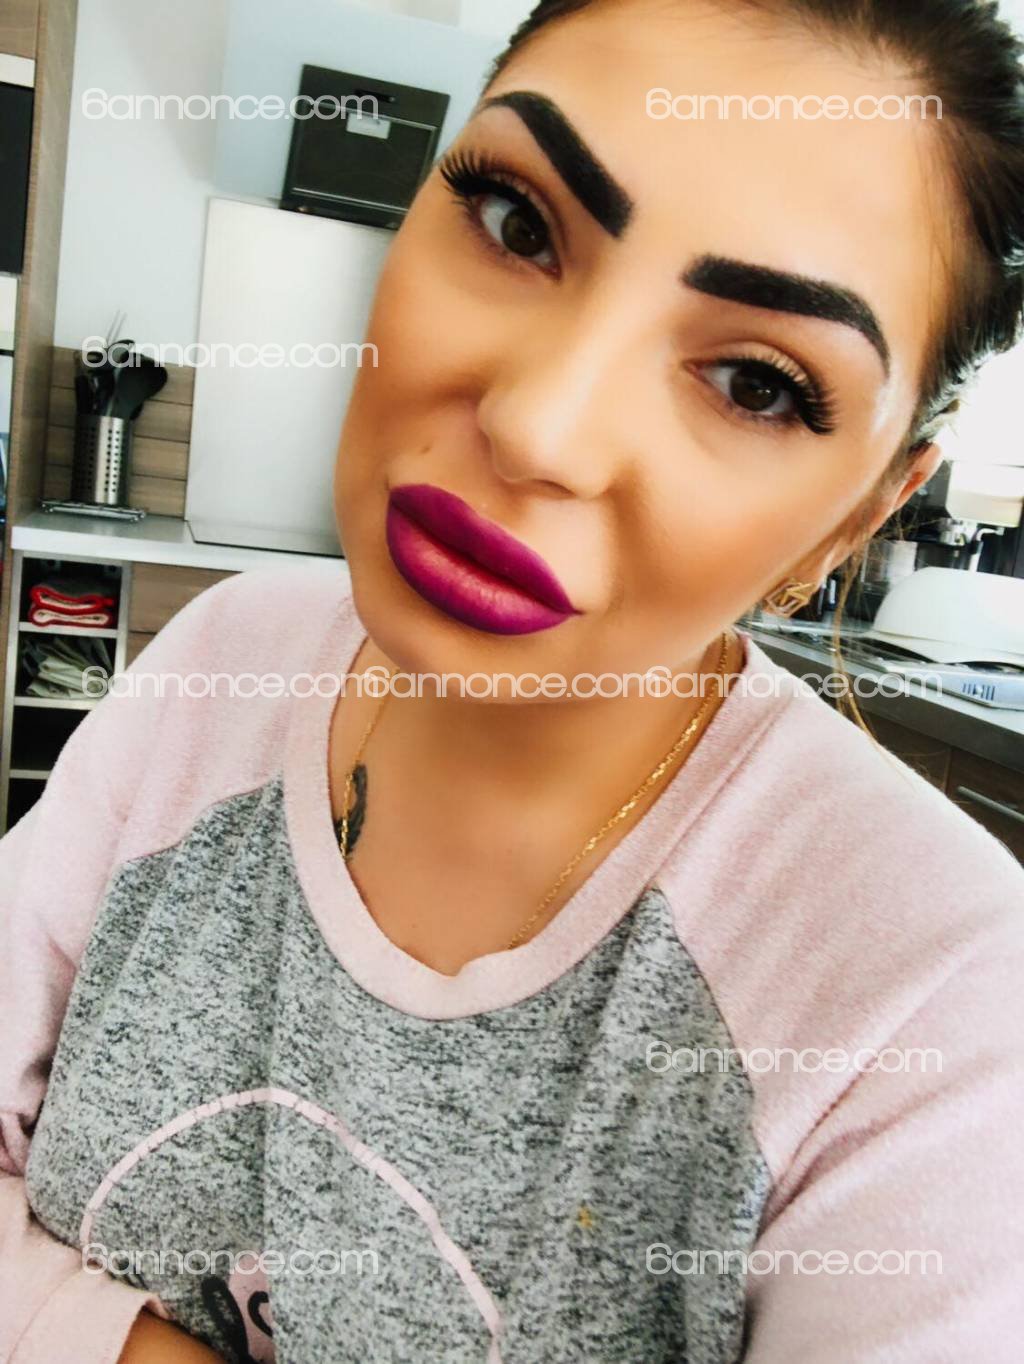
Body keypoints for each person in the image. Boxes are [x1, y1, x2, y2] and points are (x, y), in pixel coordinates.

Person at [3, 1, 1024, 1360]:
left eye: (755, 384)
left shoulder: (942, 996)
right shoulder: (224, 660)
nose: (539, 425)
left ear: (858, 518)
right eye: (516, 223)